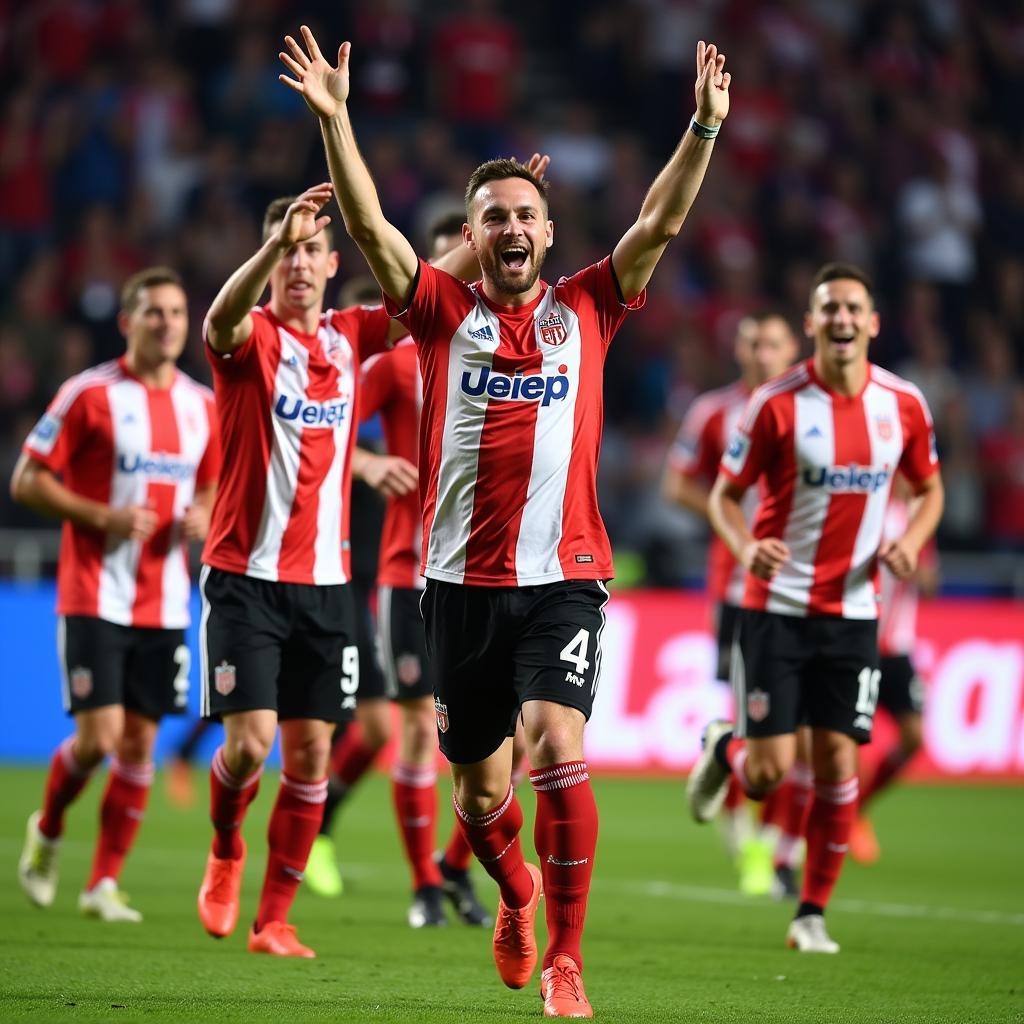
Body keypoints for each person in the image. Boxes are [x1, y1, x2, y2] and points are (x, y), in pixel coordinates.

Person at [280, 26, 730, 1015]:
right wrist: (337, 121)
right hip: (456, 586)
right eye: (495, 217)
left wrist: (699, 126)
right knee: (482, 798)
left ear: (548, 230)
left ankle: (566, 960)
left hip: (565, 574)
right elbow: (368, 233)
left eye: (526, 213)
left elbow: (656, 222)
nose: (513, 228)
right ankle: (515, 892)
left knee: (554, 741)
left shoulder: (591, 304)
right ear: (475, 235)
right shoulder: (440, 312)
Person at [194, 184, 477, 958]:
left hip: (327, 585)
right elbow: (216, 320)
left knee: (313, 753)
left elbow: (430, 285)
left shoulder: (354, 337)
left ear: (328, 265)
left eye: (311, 250)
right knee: (251, 747)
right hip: (244, 577)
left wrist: (490, 225)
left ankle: (274, 920)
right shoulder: (247, 336)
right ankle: (225, 848)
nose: (298, 263)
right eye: (286, 250)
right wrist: (268, 245)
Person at [690, 261, 944, 954]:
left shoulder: (904, 404)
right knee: (770, 770)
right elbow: (720, 495)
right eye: (829, 308)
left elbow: (930, 489)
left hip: (856, 612)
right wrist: (746, 550)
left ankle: (811, 913)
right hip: (774, 607)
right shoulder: (774, 404)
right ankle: (723, 748)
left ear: (872, 322)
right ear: (812, 323)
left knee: (836, 763)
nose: (841, 319)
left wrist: (912, 544)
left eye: (853, 308)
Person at [13, 266, 220, 921]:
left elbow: (216, 486)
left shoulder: (201, 405)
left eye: (178, 313)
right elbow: (26, 479)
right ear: (128, 322)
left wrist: (205, 515)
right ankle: (46, 830)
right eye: (154, 312)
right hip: (93, 592)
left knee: (138, 745)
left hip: (164, 599)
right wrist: (101, 516)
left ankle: (102, 883)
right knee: (99, 738)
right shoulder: (88, 394)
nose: (167, 323)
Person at [307, 218, 492, 930]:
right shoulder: (395, 362)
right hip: (405, 573)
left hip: (492, 578)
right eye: (460, 255)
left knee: (501, 743)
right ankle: (424, 885)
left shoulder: (521, 350)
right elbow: (328, 436)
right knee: (409, 729)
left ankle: (452, 867)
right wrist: (368, 463)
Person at [663, 311, 799, 896]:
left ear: (792, 347)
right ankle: (746, 844)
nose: (761, 353)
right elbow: (677, 484)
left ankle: (778, 848)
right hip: (740, 588)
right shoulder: (714, 412)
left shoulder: (813, 409)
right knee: (756, 718)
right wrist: (736, 522)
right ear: (738, 351)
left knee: (805, 728)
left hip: (810, 586)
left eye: (771, 342)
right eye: (751, 343)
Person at [849, 477, 935, 863]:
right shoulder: (861, 508)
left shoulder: (917, 517)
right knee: (846, 741)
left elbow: (932, 583)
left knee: (913, 735)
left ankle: (856, 808)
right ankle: (841, 820)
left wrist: (914, 560)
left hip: (897, 648)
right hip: (856, 640)